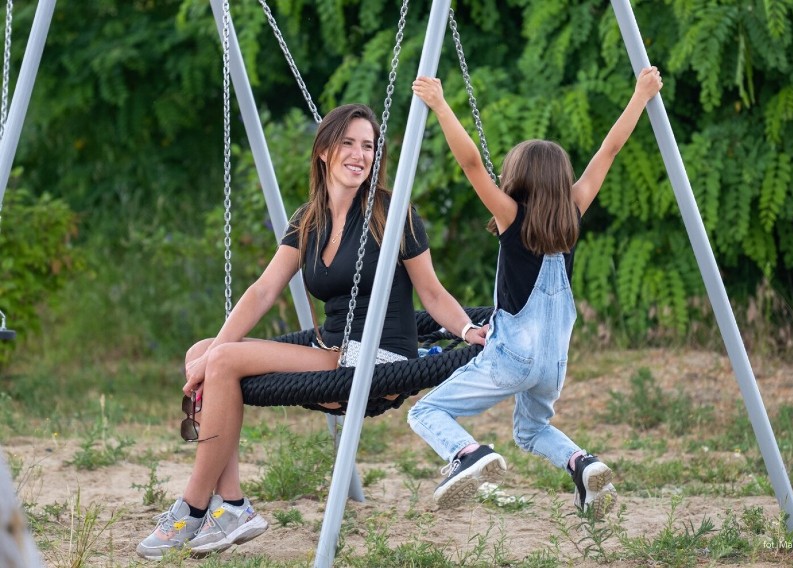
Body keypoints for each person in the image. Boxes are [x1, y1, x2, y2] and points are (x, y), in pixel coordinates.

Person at [136, 103, 488, 559]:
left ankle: (194, 507)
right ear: (324, 150)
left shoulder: (390, 211)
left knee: (220, 360)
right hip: (333, 347)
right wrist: (209, 353)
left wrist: (464, 329)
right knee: (204, 350)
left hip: (376, 357)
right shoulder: (309, 219)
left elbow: (433, 293)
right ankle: (234, 505)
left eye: (369, 146)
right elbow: (263, 291)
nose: (360, 155)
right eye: (349, 144)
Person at [408, 68, 663, 517]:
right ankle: (581, 463)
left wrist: (441, 105)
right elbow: (610, 149)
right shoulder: (574, 212)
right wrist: (640, 96)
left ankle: (466, 454)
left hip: (512, 357)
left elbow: (470, 164)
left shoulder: (511, 216)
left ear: (517, 178)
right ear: (561, 179)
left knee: (425, 413)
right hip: (554, 362)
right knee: (531, 430)